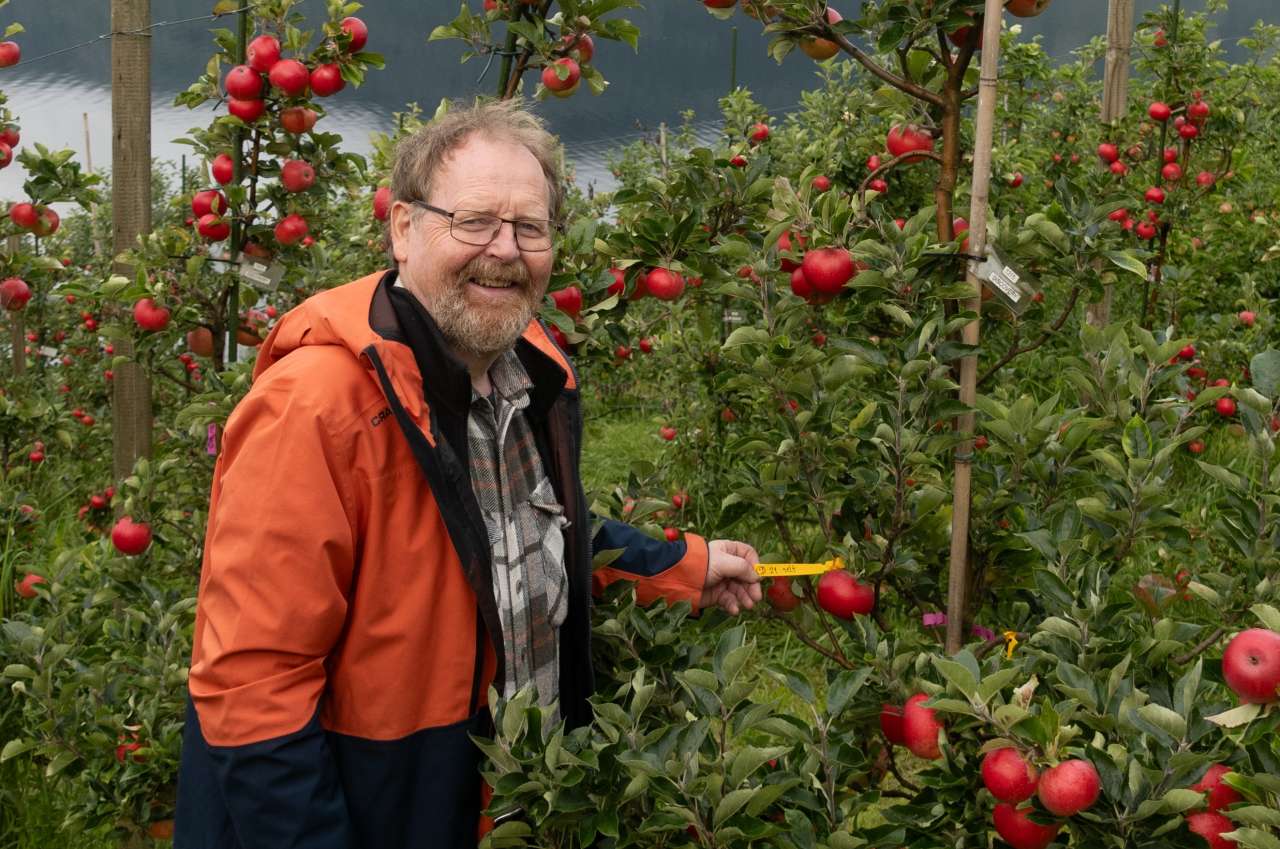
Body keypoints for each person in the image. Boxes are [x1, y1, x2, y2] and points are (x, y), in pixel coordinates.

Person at [173, 99, 762, 849]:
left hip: (507, 811)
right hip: (387, 811)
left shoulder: (531, 375)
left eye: (530, 227)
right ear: (403, 229)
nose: (505, 249)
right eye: (474, 220)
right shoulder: (315, 408)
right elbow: (252, 691)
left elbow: (528, 532)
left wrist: (684, 566)